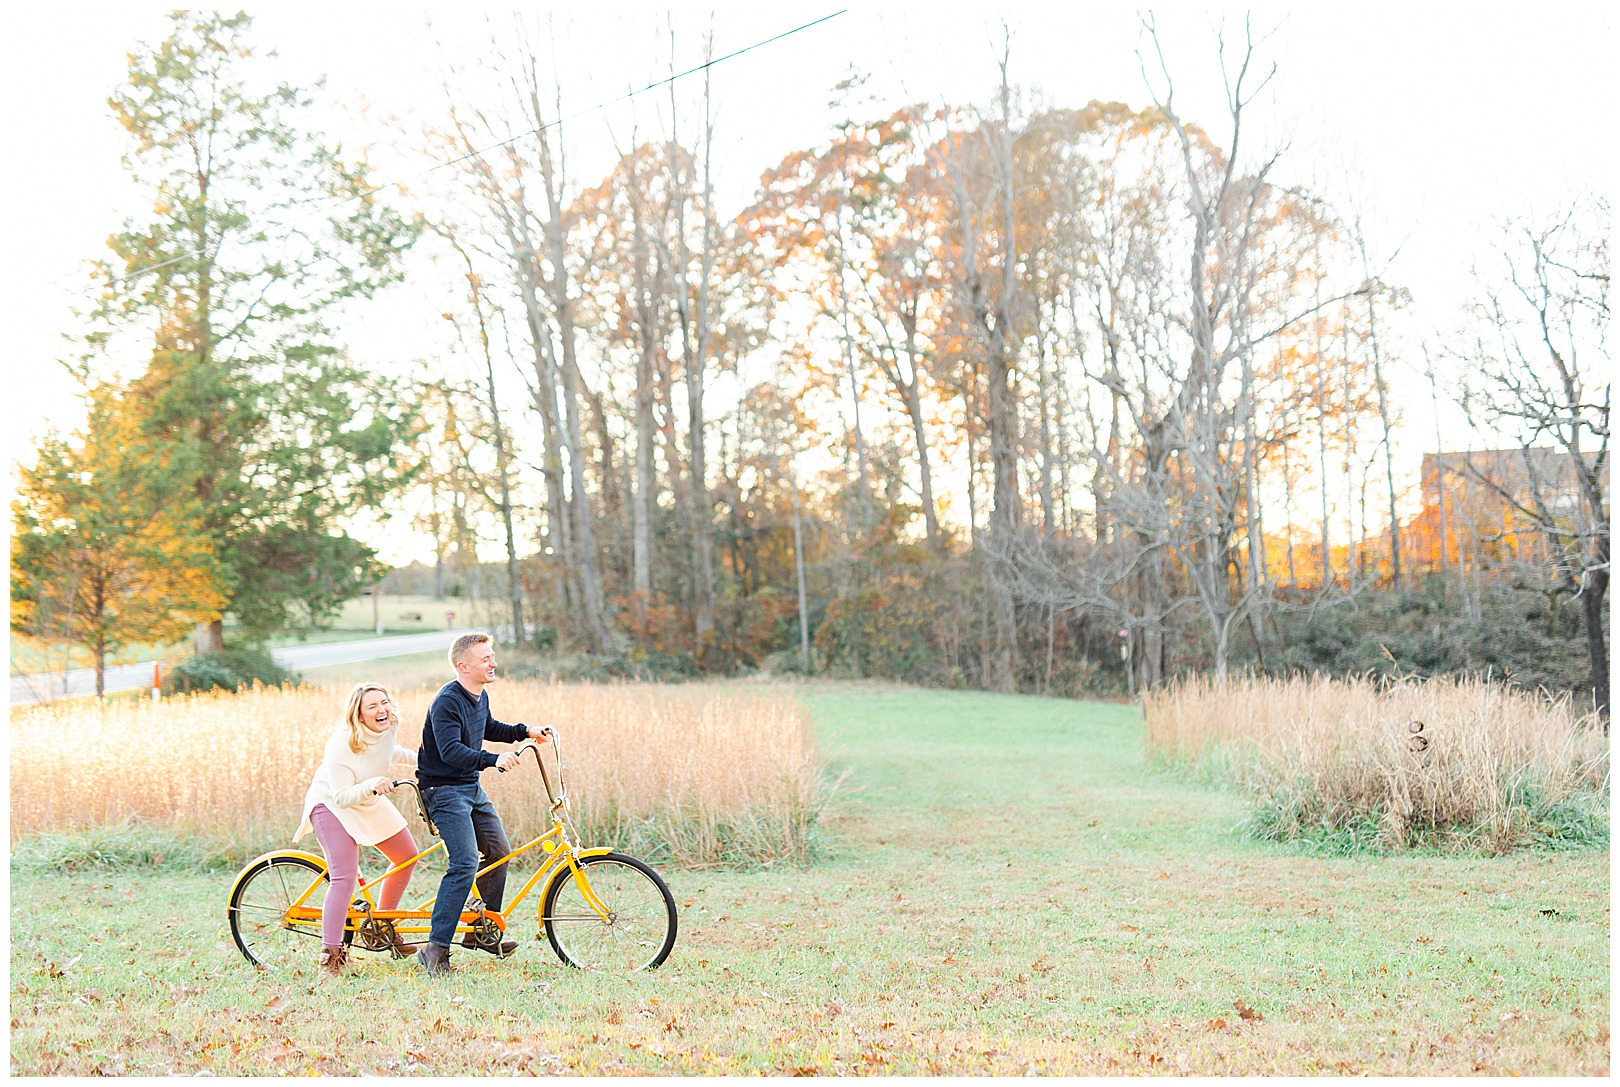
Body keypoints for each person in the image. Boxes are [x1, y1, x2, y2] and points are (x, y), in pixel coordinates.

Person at [415, 631, 543, 976]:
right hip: (442, 791)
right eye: (486, 658)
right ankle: (435, 949)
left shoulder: (478, 695)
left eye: (493, 656)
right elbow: (450, 751)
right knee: (465, 861)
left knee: (500, 851)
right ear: (463, 665)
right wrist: (493, 760)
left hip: (469, 788)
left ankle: (480, 934)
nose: (493, 662)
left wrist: (525, 731)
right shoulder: (447, 701)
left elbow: (487, 726)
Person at [295, 682, 421, 975]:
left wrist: (430, 762)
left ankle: (384, 927)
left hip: (367, 795)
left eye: (385, 702)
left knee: (407, 855)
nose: (382, 710)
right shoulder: (341, 743)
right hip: (332, 804)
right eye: (372, 706)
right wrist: (372, 786)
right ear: (358, 715)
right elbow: (341, 796)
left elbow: (391, 752)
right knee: (344, 877)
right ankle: (331, 956)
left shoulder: (389, 727)